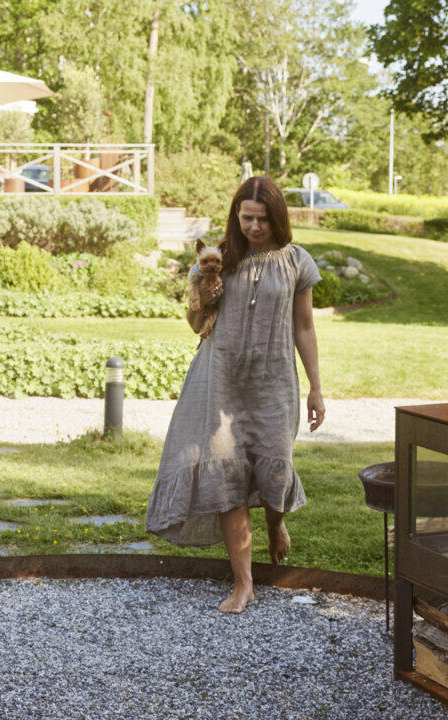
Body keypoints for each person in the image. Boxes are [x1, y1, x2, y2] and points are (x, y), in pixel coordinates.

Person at [145, 176, 326, 614]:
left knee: (274, 466)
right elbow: (194, 324)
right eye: (247, 218)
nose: (254, 227)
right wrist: (204, 295)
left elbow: (304, 327)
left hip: (274, 382)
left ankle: (275, 523)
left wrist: (316, 387)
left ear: (277, 218)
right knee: (226, 473)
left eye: (263, 219)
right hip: (220, 380)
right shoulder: (216, 259)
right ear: (236, 215)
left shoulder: (297, 261)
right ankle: (243, 583)